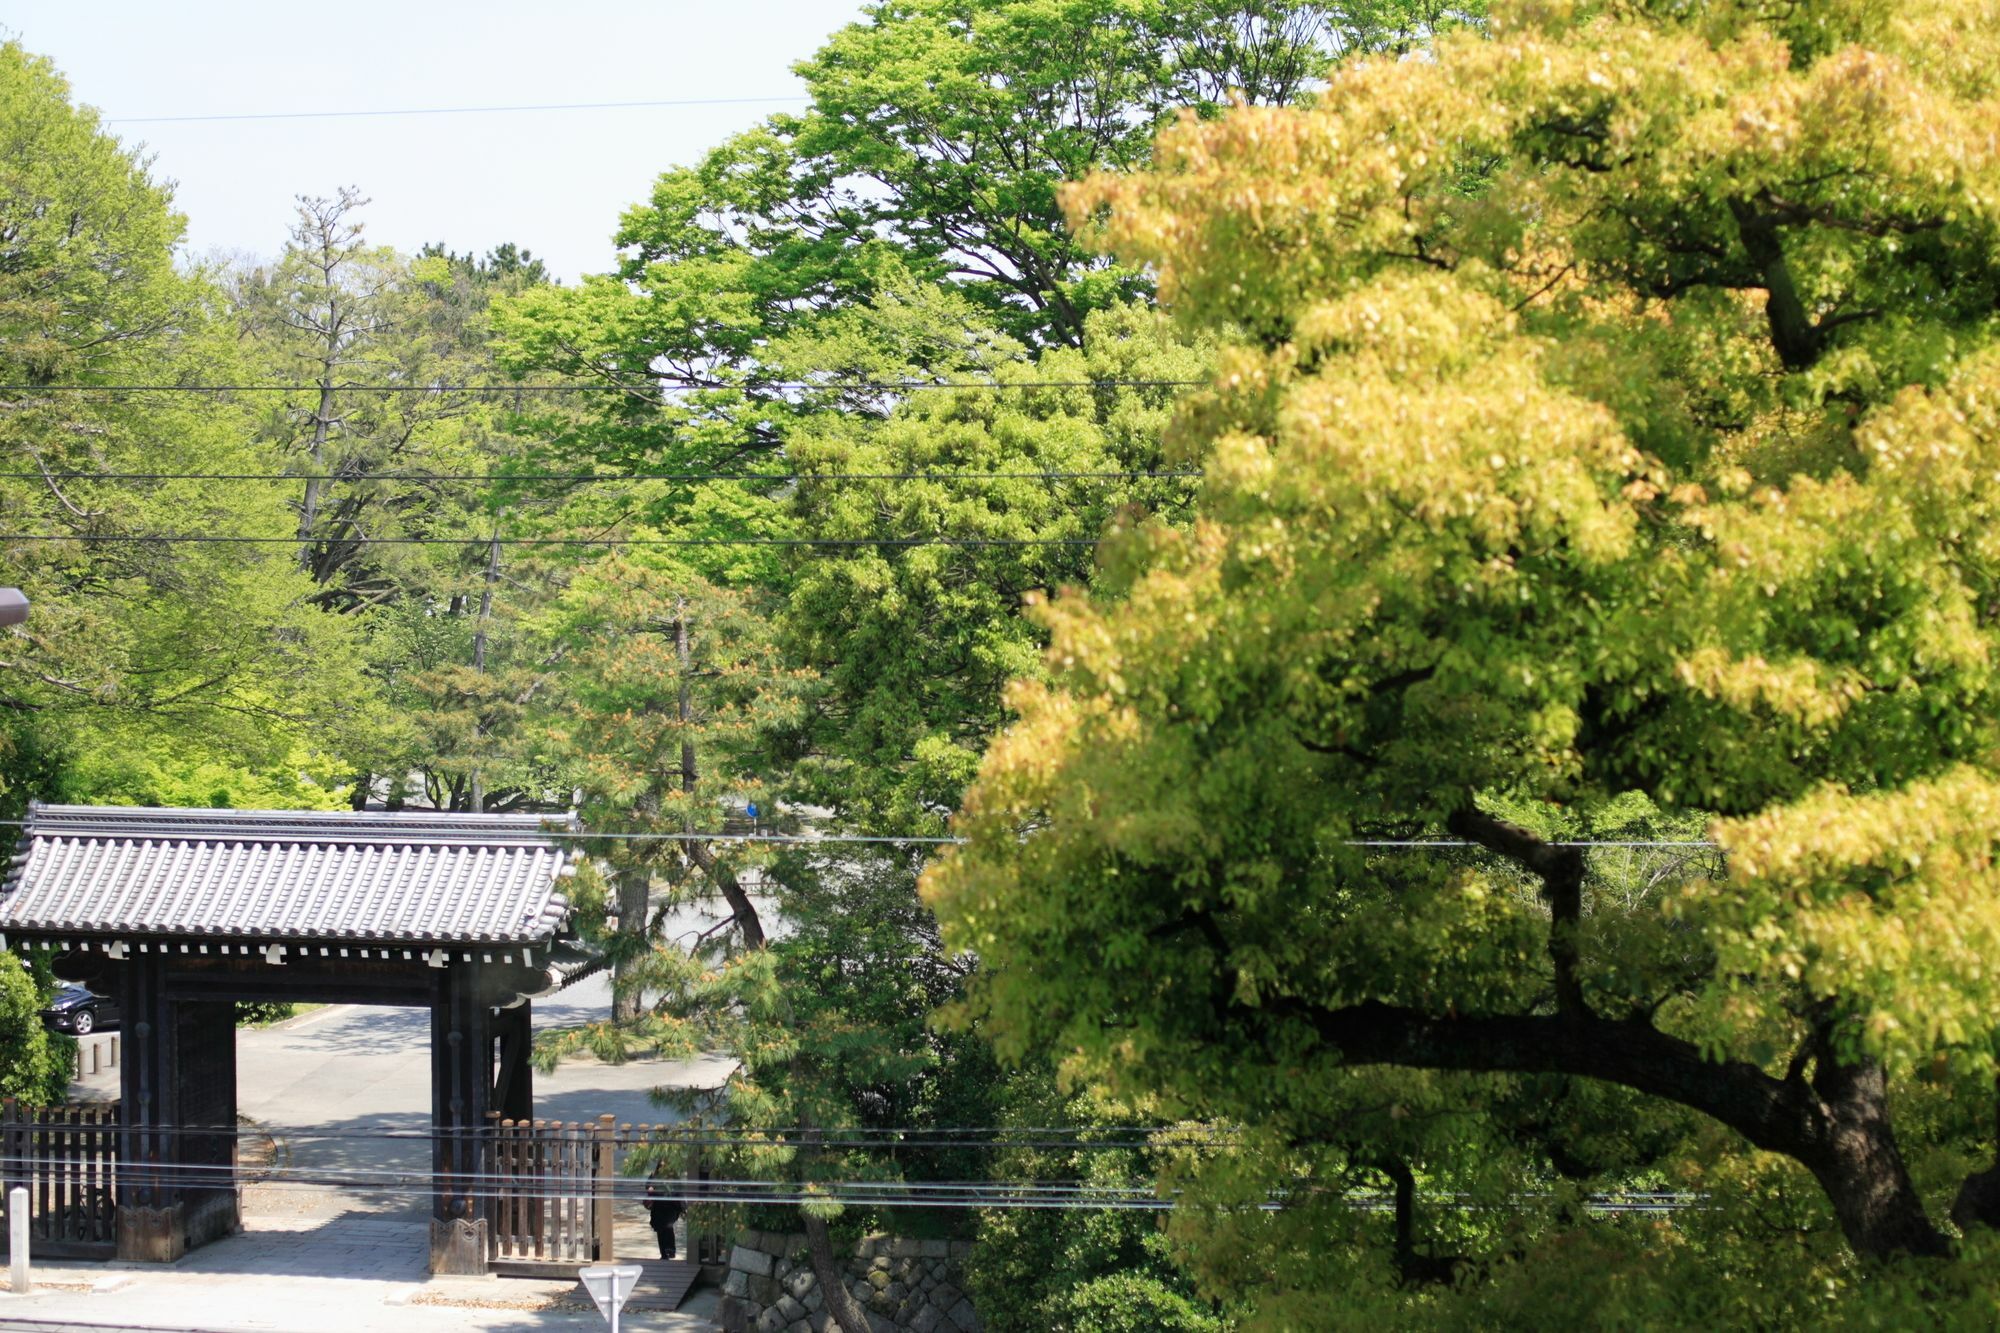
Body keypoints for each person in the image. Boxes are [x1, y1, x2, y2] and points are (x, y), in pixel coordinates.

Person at [643, 1173, 685, 1260]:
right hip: (658, 1207)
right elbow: (648, 1185)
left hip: (671, 1206)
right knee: (660, 1230)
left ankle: (670, 1250)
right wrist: (650, 1187)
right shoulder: (654, 1175)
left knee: (668, 1226)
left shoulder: (674, 1177)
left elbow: (679, 1189)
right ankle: (663, 1254)